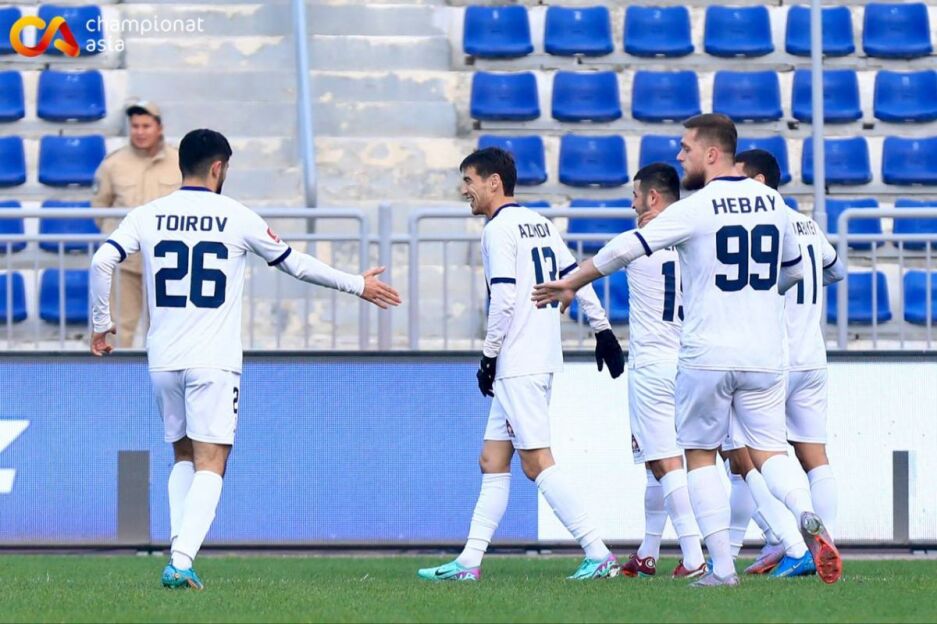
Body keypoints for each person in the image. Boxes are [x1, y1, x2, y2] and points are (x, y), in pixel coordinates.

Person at [532, 114, 842, 586]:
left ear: (712, 153)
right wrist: (757, 296)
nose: (680, 157)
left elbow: (628, 248)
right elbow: (797, 270)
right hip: (764, 356)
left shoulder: (699, 206)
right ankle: (804, 513)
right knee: (770, 452)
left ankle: (720, 568)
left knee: (699, 456)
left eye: (686, 148)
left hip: (706, 354)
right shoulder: (774, 203)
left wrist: (574, 279)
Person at [88, 129, 400, 590]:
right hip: (213, 360)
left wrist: (101, 323)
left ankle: (179, 547)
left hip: (163, 358)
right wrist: (357, 284)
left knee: (182, 454)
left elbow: (101, 261)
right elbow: (294, 263)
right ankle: (181, 561)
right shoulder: (235, 216)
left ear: (181, 165)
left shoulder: (148, 214)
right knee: (213, 460)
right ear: (218, 168)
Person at [417, 147, 625, 582]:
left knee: (536, 463)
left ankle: (599, 552)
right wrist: (602, 328)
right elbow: (575, 277)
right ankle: (469, 562)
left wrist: (489, 356)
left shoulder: (498, 229)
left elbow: (505, 300)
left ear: (494, 182)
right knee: (492, 459)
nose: (464, 190)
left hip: (519, 362)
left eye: (469, 180)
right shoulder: (540, 222)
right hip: (536, 357)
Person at [738, 149, 846, 544]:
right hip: (812, 356)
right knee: (815, 457)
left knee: (748, 458)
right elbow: (836, 270)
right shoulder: (808, 224)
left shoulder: (764, 228)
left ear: (759, 182)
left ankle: (785, 541)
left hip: (775, 358)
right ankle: (825, 543)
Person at [615, 164, 706, 580]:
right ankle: (648, 552)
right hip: (689, 361)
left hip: (651, 365)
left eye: (636, 195)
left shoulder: (638, 243)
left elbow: (598, 263)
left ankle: (693, 555)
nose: (632, 203)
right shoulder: (696, 242)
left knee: (667, 463)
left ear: (652, 197)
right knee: (657, 461)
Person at [93, 101, 182, 348]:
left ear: (159, 128)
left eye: (146, 126)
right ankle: (115, 374)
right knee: (119, 330)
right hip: (127, 265)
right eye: (135, 126)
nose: (140, 132)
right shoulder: (113, 164)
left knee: (168, 332)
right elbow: (99, 208)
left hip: (169, 265)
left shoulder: (180, 161)